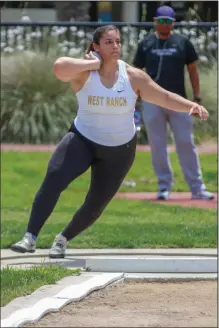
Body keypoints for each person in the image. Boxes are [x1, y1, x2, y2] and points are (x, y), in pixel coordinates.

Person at [11, 24, 209, 258]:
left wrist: (191, 106)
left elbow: (163, 96)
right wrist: (92, 64)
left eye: (118, 42)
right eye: (108, 42)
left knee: (95, 205)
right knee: (54, 178)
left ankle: (63, 239)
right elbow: (58, 68)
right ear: (96, 46)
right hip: (82, 139)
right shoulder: (84, 73)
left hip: (119, 149)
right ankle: (30, 237)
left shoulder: (132, 76)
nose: (115, 46)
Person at [133, 5, 214, 201]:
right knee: (157, 144)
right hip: (152, 102)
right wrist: (135, 98)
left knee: (186, 142)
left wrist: (196, 97)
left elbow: (193, 70)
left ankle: (197, 188)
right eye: (160, 21)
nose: (164, 24)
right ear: (155, 21)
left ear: (173, 23)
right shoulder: (146, 43)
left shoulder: (182, 42)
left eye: (167, 21)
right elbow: (136, 72)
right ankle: (163, 187)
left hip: (179, 101)